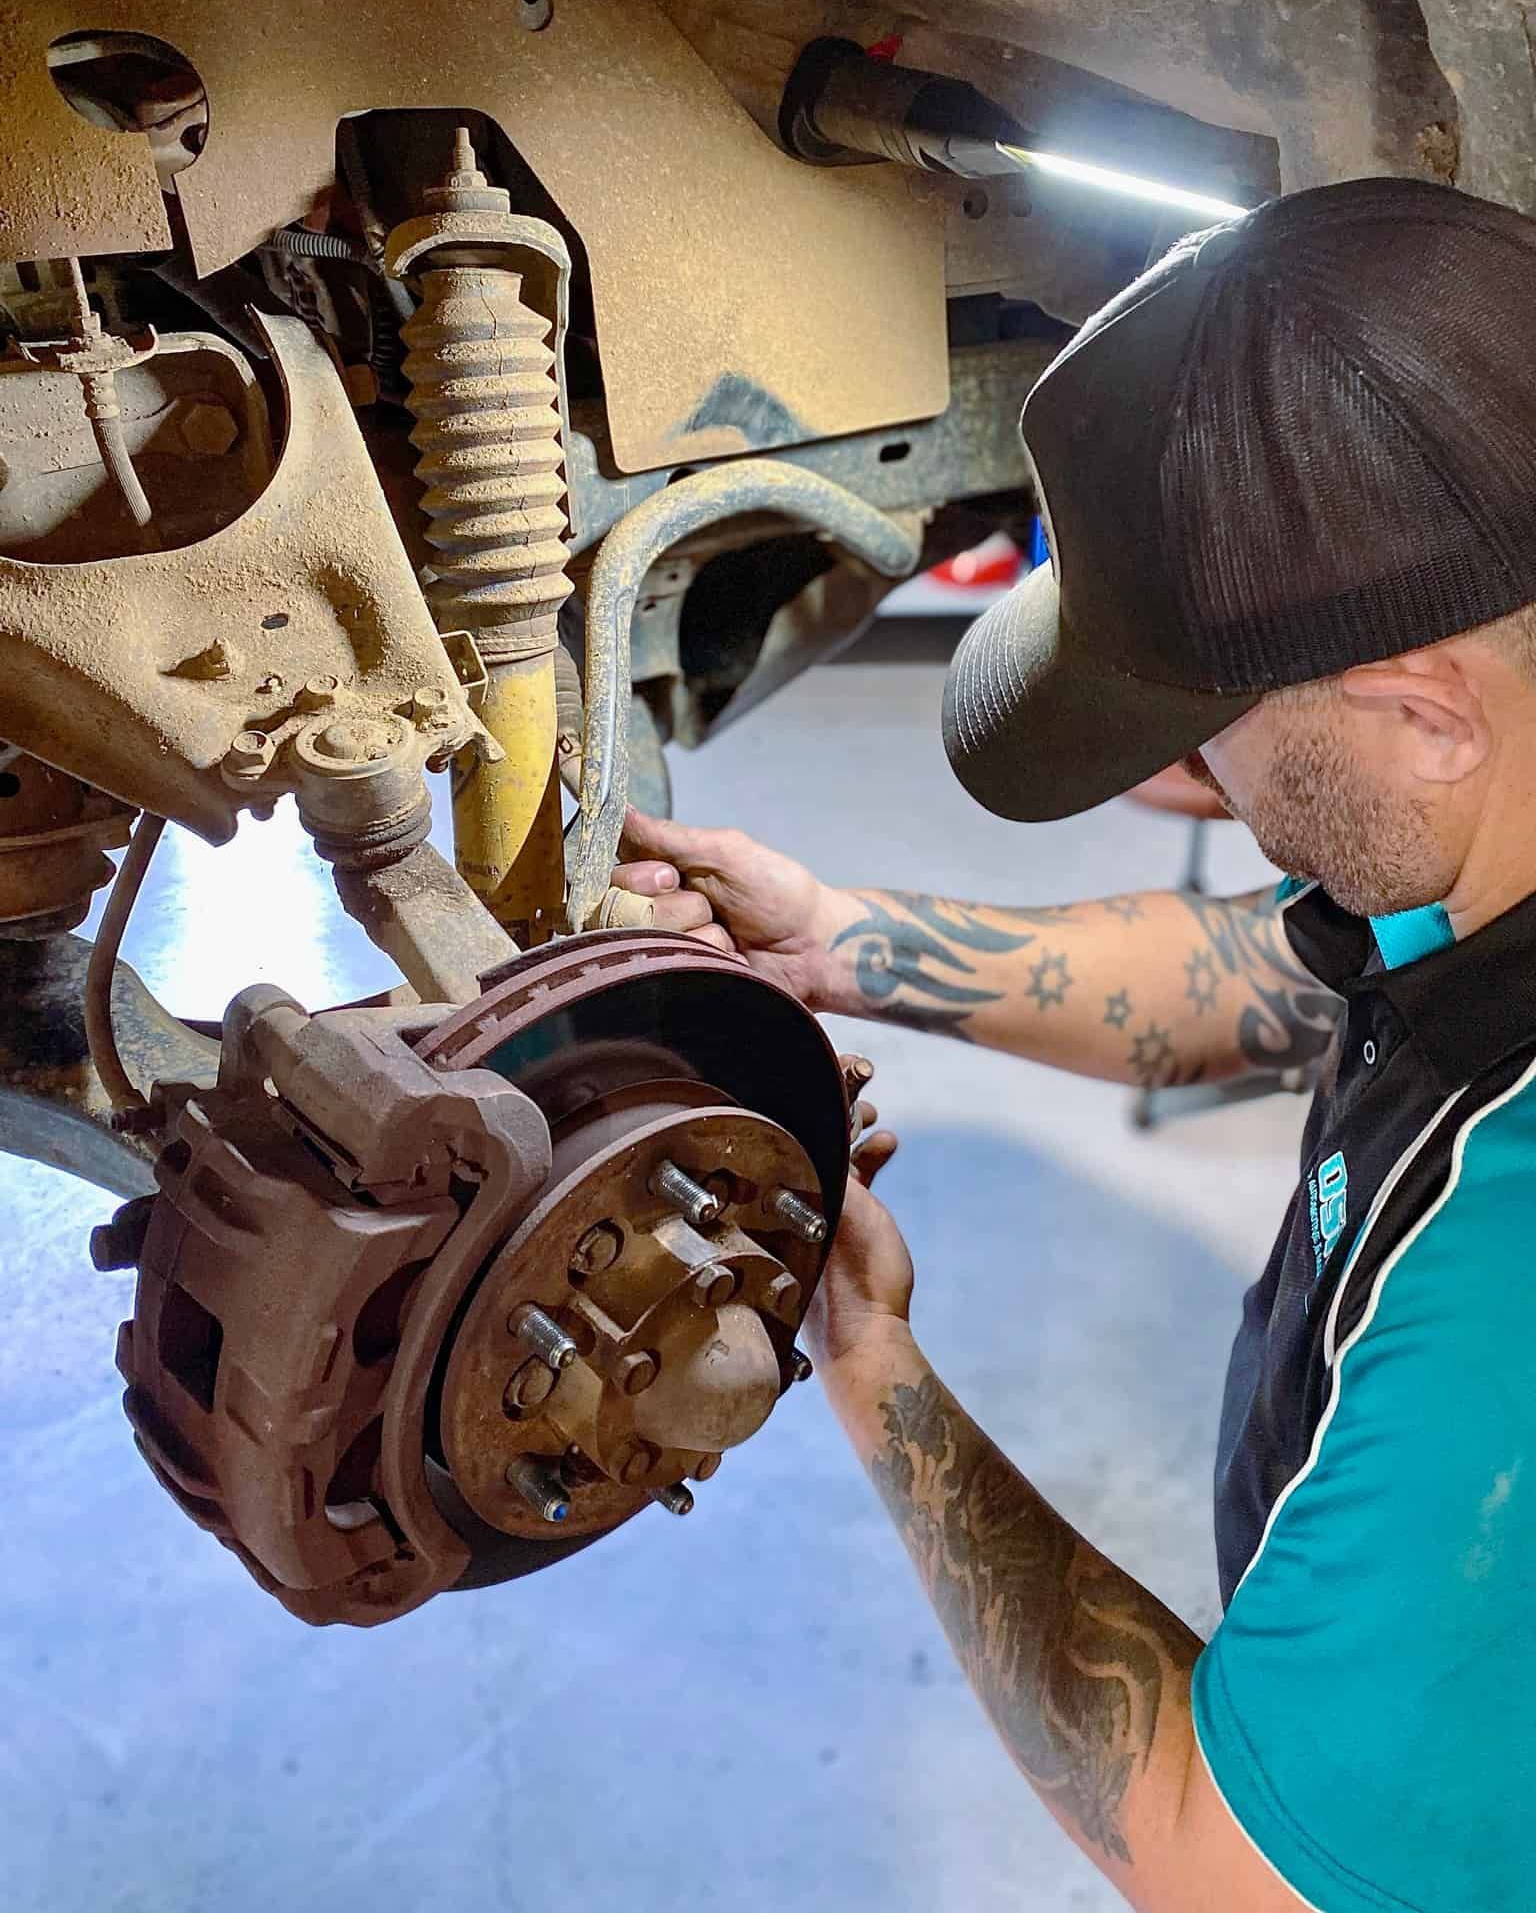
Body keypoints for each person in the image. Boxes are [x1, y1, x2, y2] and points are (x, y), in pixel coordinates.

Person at [612, 179, 1536, 1911]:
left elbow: (1222, 1855)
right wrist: (843, 942)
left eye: (1207, 730)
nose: (1181, 789)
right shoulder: (1493, 841)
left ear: (1424, 714)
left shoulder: (1506, 1323)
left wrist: (875, 1369)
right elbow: (1279, 983)